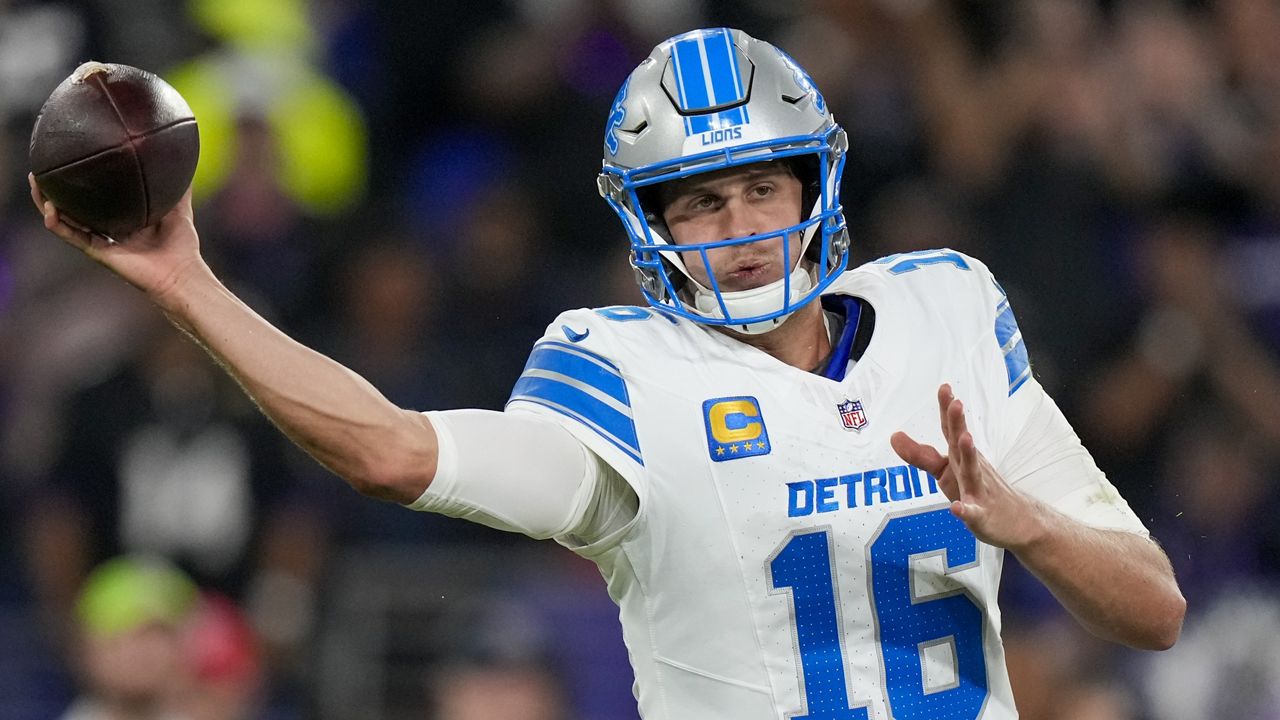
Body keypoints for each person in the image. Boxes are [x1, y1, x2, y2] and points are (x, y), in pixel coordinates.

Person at [33, 27, 1184, 720]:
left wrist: (1026, 526)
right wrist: (189, 284)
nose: (736, 226)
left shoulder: (940, 310)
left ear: (813, 188)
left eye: (759, 188)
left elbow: (1152, 610)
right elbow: (390, 450)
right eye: (697, 200)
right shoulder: (626, 370)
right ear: (648, 224)